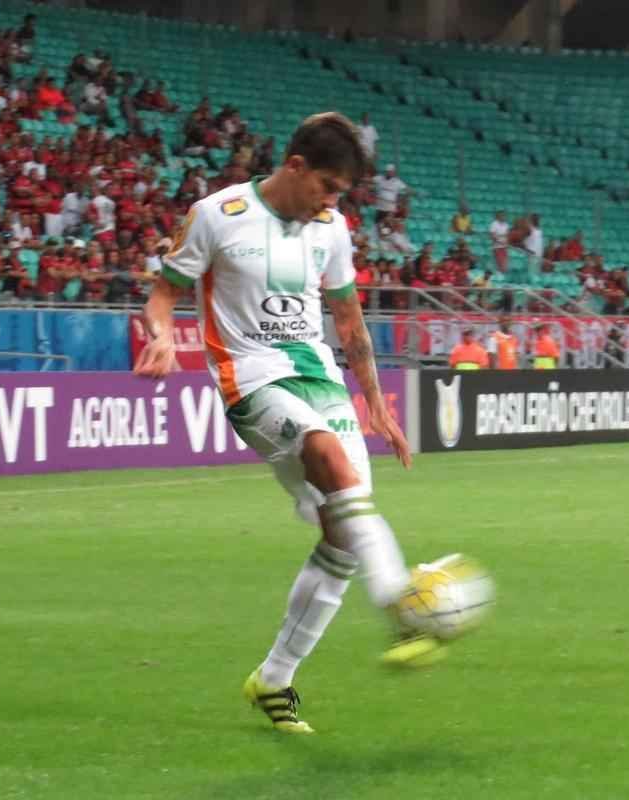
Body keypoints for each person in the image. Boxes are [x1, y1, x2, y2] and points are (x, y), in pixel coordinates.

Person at [134, 112, 431, 737]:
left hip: (320, 378)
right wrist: (162, 336)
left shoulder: (332, 228)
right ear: (294, 166)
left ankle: (273, 680)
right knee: (328, 457)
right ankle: (403, 601)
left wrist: (374, 400)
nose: (330, 201)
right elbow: (164, 291)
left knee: (343, 533)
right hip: (250, 376)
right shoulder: (217, 215)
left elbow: (347, 319)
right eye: (325, 186)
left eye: (339, 194)